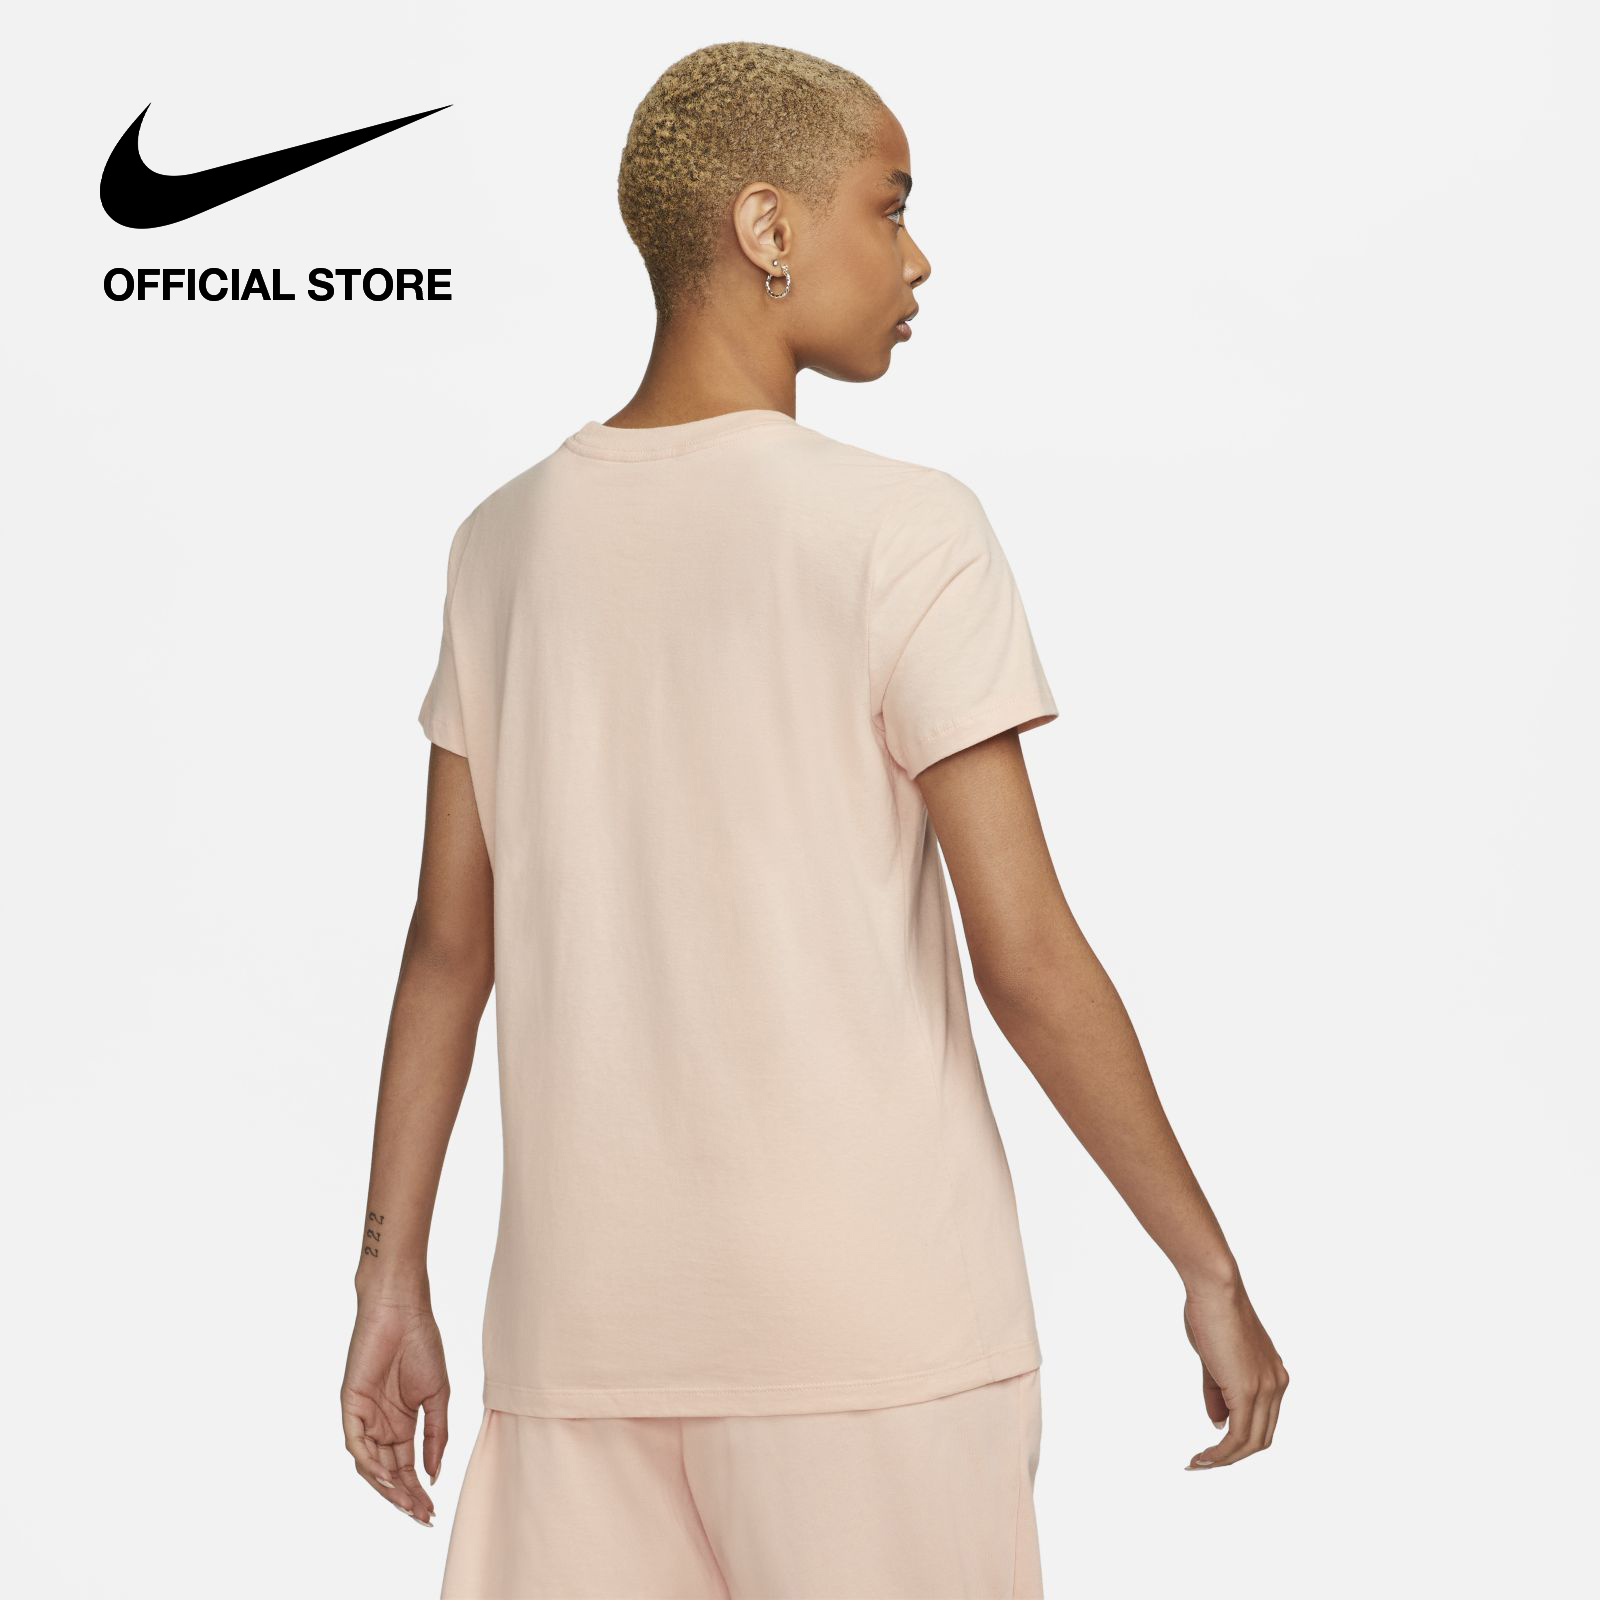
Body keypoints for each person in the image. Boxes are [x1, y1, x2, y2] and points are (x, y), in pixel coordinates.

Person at [340, 40, 1288, 1599]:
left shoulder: (499, 546)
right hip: (875, 1346)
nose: (918, 259)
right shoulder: (905, 530)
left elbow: (450, 948)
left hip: (580, 1339)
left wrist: (388, 1281)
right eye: (889, 206)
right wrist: (1206, 1263)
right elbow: (1026, 956)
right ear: (768, 227)